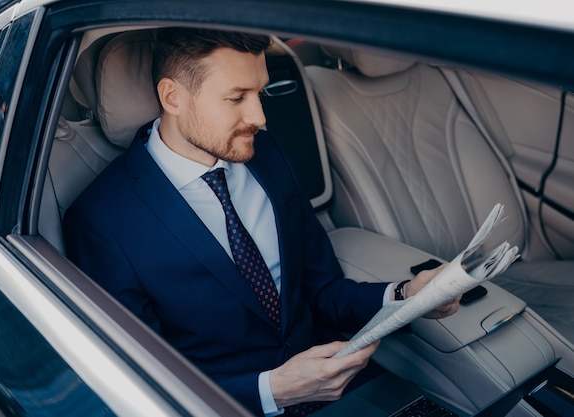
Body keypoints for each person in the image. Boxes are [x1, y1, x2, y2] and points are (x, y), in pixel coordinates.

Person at [63, 27, 460, 416]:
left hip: (343, 387)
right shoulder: (102, 219)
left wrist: (406, 297)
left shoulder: (265, 154)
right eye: (236, 98)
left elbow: (321, 289)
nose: (259, 116)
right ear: (172, 96)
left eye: (259, 93)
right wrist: (274, 390)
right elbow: (141, 377)